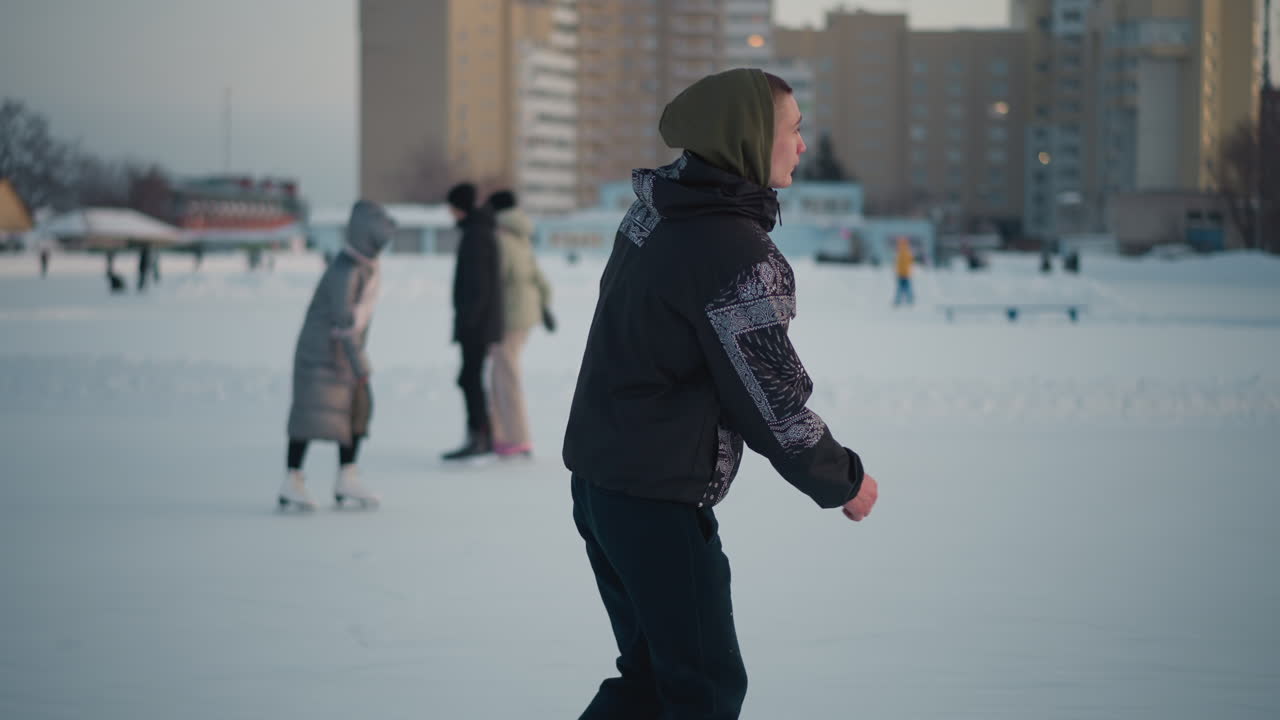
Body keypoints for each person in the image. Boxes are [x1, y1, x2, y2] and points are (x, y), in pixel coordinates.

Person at [562, 68, 879, 719]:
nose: (800, 145)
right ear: (747, 138)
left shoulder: (661, 211)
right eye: (790, 130)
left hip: (605, 485)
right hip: (655, 499)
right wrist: (842, 479)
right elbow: (771, 399)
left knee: (656, 679)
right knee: (703, 687)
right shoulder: (733, 251)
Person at [278, 200, 394, 510]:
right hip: (322, 355)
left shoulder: (364, 266)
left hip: (341, 353)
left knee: (355, 411)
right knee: (311, 415)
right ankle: (293, 479)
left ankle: (347, 476)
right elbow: (344, 321)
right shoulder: (346, 270)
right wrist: (361, 366)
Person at [486, 189, 554, 459]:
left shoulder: (501, 238)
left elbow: (498, 279)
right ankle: (501, 434)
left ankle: (518, 438)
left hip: (509, 317)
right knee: (499, 374)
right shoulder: (521, 235)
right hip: (524, 315)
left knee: (507, 376)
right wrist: (545, 305)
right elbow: (537, 276)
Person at [441, 182, 503, 461]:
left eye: (451, 207)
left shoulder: (476, 235)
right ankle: (480, 434)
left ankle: (479, 436)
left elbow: (478, 287)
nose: (449, 213)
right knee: (469, 379)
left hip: (476, 325)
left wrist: (469, 323)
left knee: (470, 379)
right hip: (479, 323)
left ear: (460, 207)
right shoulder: (479, 231)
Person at [893, 236, 914, 306]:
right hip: (905, 273)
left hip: (902, 273)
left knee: (901, 288)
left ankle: (899, 300)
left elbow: (897, 263)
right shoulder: (907, 252)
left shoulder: (900, 253)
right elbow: (910, 262)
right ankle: (909, 300)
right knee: (906, 288)